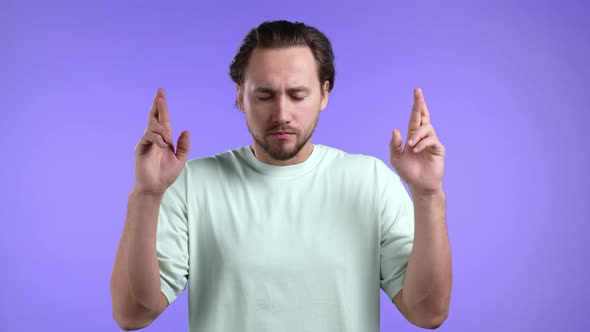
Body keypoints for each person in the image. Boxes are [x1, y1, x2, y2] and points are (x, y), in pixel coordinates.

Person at [110, 20, 451, 331]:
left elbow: (428, 313)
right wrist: (146, 195)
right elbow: (132, 314)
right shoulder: (192, 184)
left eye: (298, 94)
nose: (282, 113)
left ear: (324, 95)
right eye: (265, 95)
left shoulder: (372, 182)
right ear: (240, 96)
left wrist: (428, 195)